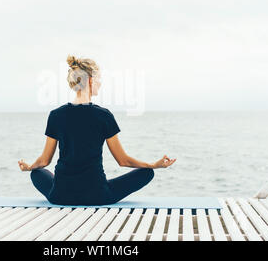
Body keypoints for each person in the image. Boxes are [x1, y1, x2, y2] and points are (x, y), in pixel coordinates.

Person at [18, 55, 176, 205]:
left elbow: (44, 161)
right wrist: (153, 165)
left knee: (36, 173)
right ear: (91, 80)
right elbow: (123, 161)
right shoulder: (104, 116)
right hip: (98, 195)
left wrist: (29, 167)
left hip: (60, 195)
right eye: (99, 79)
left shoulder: (55, 115)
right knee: (147, 172)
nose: (100, 83)